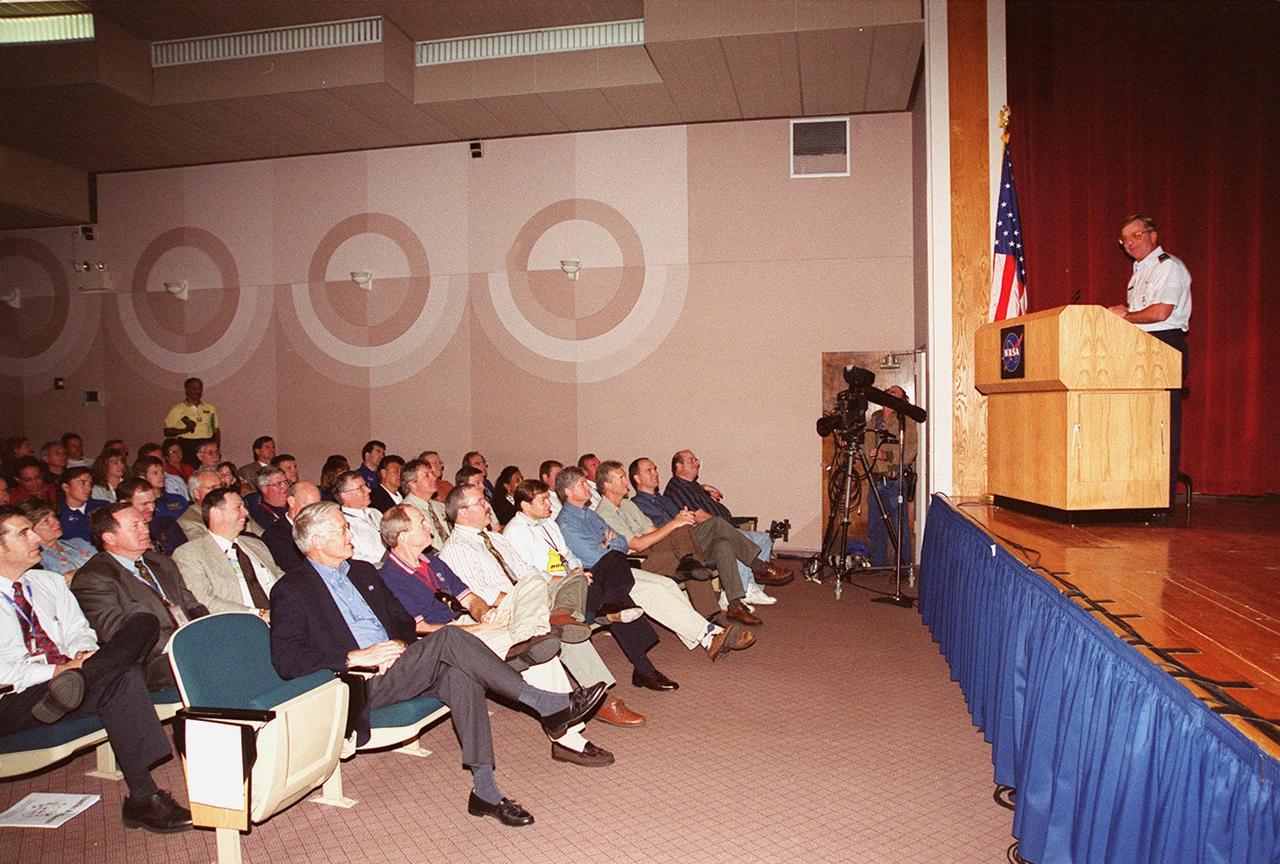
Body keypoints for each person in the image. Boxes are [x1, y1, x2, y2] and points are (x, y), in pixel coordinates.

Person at [269, 501, 607, 826]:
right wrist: (355, 657)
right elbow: (287, 659)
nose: (351, 534)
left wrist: (398, 647)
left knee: (460, 674)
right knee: (450, 638)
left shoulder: (361, 572)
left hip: (398, 664)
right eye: (342, 529)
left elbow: (402, 621)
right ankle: (544, 703)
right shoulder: (292, 589)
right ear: (315, 541)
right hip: (358, 681)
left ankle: (485, 791)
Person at [0, 507, 193, 834]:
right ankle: (142, 800)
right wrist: (61, 671)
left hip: (68, 685)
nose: (37, 538)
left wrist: (81, 657)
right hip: (14, 698)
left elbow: (80, 630)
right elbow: (5, 672)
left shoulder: (47, 581)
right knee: (123, 676)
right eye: (23, 533)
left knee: (141, 622)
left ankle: (143, 798)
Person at [379, 505, 615, 766]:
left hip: (475, 624)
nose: (428, 526)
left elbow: (469, 598)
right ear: (402, 535)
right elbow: (420, 628)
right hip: (446, 641)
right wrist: (475, 628)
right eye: (421, 523)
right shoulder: (390, 577)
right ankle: (568, 740)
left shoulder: (432, 561)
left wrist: (483, 615)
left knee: (533, 583)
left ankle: (527, 635)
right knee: (541, 654)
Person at [438, 484, 645, 727]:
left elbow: (526, 571)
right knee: (557, 627)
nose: (488, 506)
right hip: (502, 610)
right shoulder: (455, 549)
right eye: (481, 502)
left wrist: (544, 589)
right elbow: (484, 597)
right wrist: (534, 598)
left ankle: (567, 615)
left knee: (575, 579)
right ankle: (599, 694)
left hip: (531, 595)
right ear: (462, 512)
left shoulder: (495, 538)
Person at [505, 479, 752, 669]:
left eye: (548, 499)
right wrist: (573, 574)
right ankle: (708, 636)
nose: (549, 504)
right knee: (651, 590)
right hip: (569, 585)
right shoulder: (525, 530)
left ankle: (709, 636)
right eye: (543, 501)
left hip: (595, 571)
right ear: (526, 505)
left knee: (664, 585)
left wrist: (577, 566)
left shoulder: (550, 522)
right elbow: (530, 573)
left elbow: (579, 551)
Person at [73, 503, 209, 690]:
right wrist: (183, 645)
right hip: (150, 660)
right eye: (134, 526)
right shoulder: (94, 577)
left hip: (191, 643)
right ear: (110, 537)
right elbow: (119, 634)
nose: (145, 529)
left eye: (144, 524)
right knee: (212, 659)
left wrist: (209, 631)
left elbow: (191, 604)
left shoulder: (160, 561)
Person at [1108, 214, 1192, 504]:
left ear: (1153, 236)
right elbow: (1143, 310)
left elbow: (1160, 313)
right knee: (1139, 421)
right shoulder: (1139, 270)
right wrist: (1125, 310)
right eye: (1125, 239)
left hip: (1163, 346)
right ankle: (1138, 495)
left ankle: (1160, 498)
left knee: (1161, 424)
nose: (1130, 242)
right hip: (1141, 347)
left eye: (1137, 235)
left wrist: (1126, 316)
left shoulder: (1168, 266)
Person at [664, 449, 791, 589]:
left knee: (764, 538)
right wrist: (727, 529)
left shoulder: (691, 485)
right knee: (738, 541)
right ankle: (742, 589)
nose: (697, 463)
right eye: (691, 461)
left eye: (696, 460)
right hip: (709, 534)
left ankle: (754, 588)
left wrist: (704, 489)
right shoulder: (677, 488)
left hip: (724, 526)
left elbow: (696, 495)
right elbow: (700, 518)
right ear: (679, 466)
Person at [173, 487, 281, 617]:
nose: (246, 512)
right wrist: (258, 614)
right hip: (239, 625)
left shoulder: (256, 544)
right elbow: (204, 600)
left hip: (283, 616)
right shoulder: (190, 554)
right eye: (238, 507)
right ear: (216, 514)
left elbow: (282, 578)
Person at [863, 386, 917, 568]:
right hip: (875, 480)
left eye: (894, 392)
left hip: (895, 481)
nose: (889, 392)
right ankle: (879, 563)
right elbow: (866, 444)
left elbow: (910, 451)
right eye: (887, 390)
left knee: (899, 526)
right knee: (875, 525)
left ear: (902, 399)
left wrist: (887, 456)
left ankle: (903, 566)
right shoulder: (875, 418)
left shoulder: (905, 419)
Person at [18, 500, 94, 582]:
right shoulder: (38, 559)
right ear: (30, 530)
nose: (56, 522)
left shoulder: (79, 543)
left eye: (54, 517)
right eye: (45, 521)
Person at [116, 477, 187, 557]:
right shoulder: (117, 536)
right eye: (145, 504)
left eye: (153, 502)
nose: (152, 508)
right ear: (125, 504)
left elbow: (185, 554)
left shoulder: (167, 524)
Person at [261, 481, 321, 572]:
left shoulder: (322, 528)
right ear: (291, 501)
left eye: (318, 506)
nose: (315, 512)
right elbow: (297, 570)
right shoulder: (275, 535)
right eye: (309, 506)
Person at [162, 376, 219, 467]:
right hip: (188, 445)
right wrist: (185, 430)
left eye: (200, 388)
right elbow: (167, 431)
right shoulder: (178, 409)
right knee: (190, 472)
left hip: (206, 443)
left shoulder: (210, 408)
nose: (198, 391)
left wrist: (217, 449)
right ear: (187, 390)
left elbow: (215, 430)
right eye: (194, 388)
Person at [332, 470, 385, 564]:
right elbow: (355, 557)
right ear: (346, 495)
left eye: (366, 486)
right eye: (361, 488)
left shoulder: (376, 513)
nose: (368, 490)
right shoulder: (342, 524)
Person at [400, 458, 451, 545]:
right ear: (412, 484)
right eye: (427, 475)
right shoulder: (405, 511)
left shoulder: (440, 507)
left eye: (432, 473)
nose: (434, 478)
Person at [58, 466, 107, 543]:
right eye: (82, 483)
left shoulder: (103, 507)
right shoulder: (57, 513)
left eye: (90, 483)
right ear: (66, 487)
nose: (88, 488)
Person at [177, 467, 224, 541]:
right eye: (213, 488)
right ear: (196, 494)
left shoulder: (236, 509)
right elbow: (207, 549)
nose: (220, 491)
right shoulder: (189, 521)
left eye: (221, 486)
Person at [245, 465, 289, 529]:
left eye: (286, 482)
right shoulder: (260, 515)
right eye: (279, 484)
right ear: (264, 489)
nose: (285, 487)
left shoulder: (295, 504)